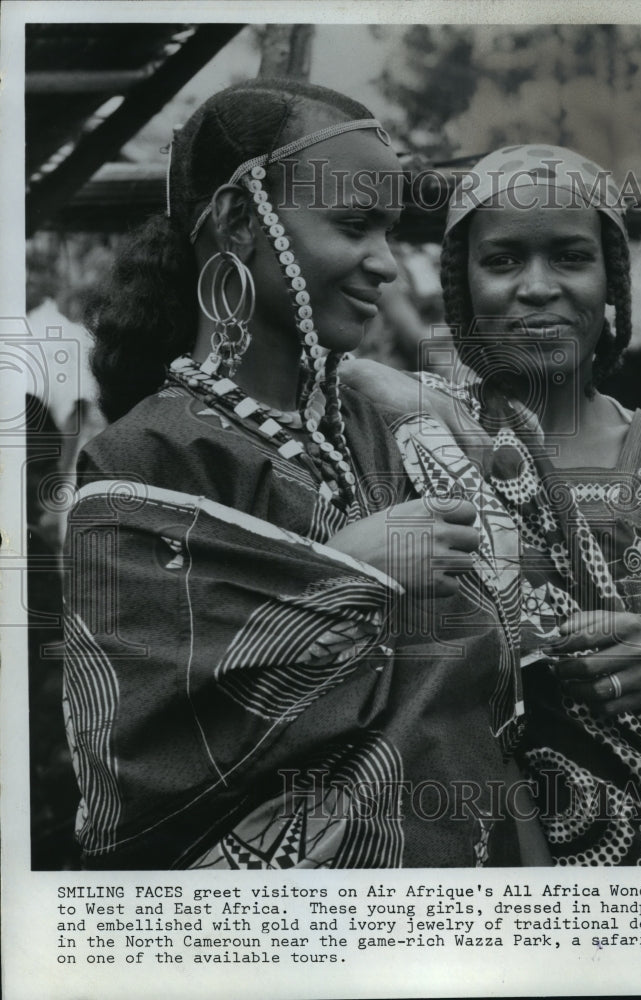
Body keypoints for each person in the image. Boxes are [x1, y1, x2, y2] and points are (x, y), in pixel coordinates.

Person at [62, 81, 533, 870]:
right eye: (354, 226)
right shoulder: (146, 460)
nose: (385, 263)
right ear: (242, 223)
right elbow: (135, 755)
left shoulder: (386, 434)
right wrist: (346, 574)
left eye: (388, 230)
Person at [342, 144, 641, 864]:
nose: (537, 286)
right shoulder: (404, 445)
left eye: (570, 257)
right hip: (457, 852)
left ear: (611, 280)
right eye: (503, 260)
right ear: (461, 289)